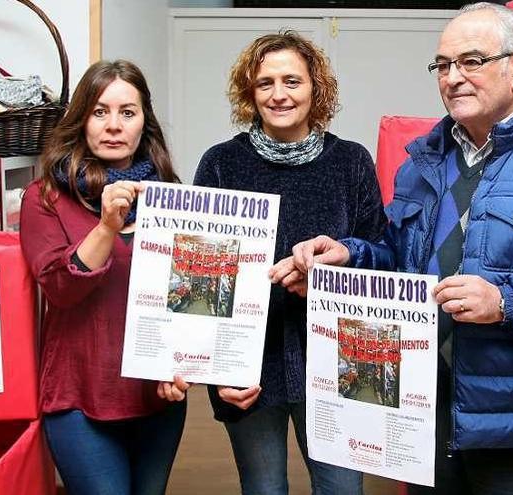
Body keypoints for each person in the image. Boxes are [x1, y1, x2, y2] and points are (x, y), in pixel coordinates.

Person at [273, 4, 513, 494]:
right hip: (423, 412)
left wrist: (505, 303)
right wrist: (350, 256)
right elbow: (400, 256)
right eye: (443, 65)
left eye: (471, 61)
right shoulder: (421, 163)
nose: (452, 78)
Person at [190, 31, 387, 494]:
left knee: (341, 489)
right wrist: (215, 372)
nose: (279, 94)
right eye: (265, 84)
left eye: (292, 81)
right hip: (250, 367)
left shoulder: (351, 163)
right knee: (264, 488)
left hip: (338, 367)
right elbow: (196, 275)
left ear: (315, 89)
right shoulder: (221, 164)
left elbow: (380, 255)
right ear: (250, 94)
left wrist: (331, 276)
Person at [20, 60, 188, 495]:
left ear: (144, 123)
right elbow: (60, 288)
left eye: (127, 113)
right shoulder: (46, 198)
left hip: (156, 397)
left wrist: (182, 364)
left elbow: (187, 300)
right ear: (81, 120)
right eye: (100, 111)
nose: (113, 125)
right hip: (78, 395)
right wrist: (107, 226)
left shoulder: (173, 195)